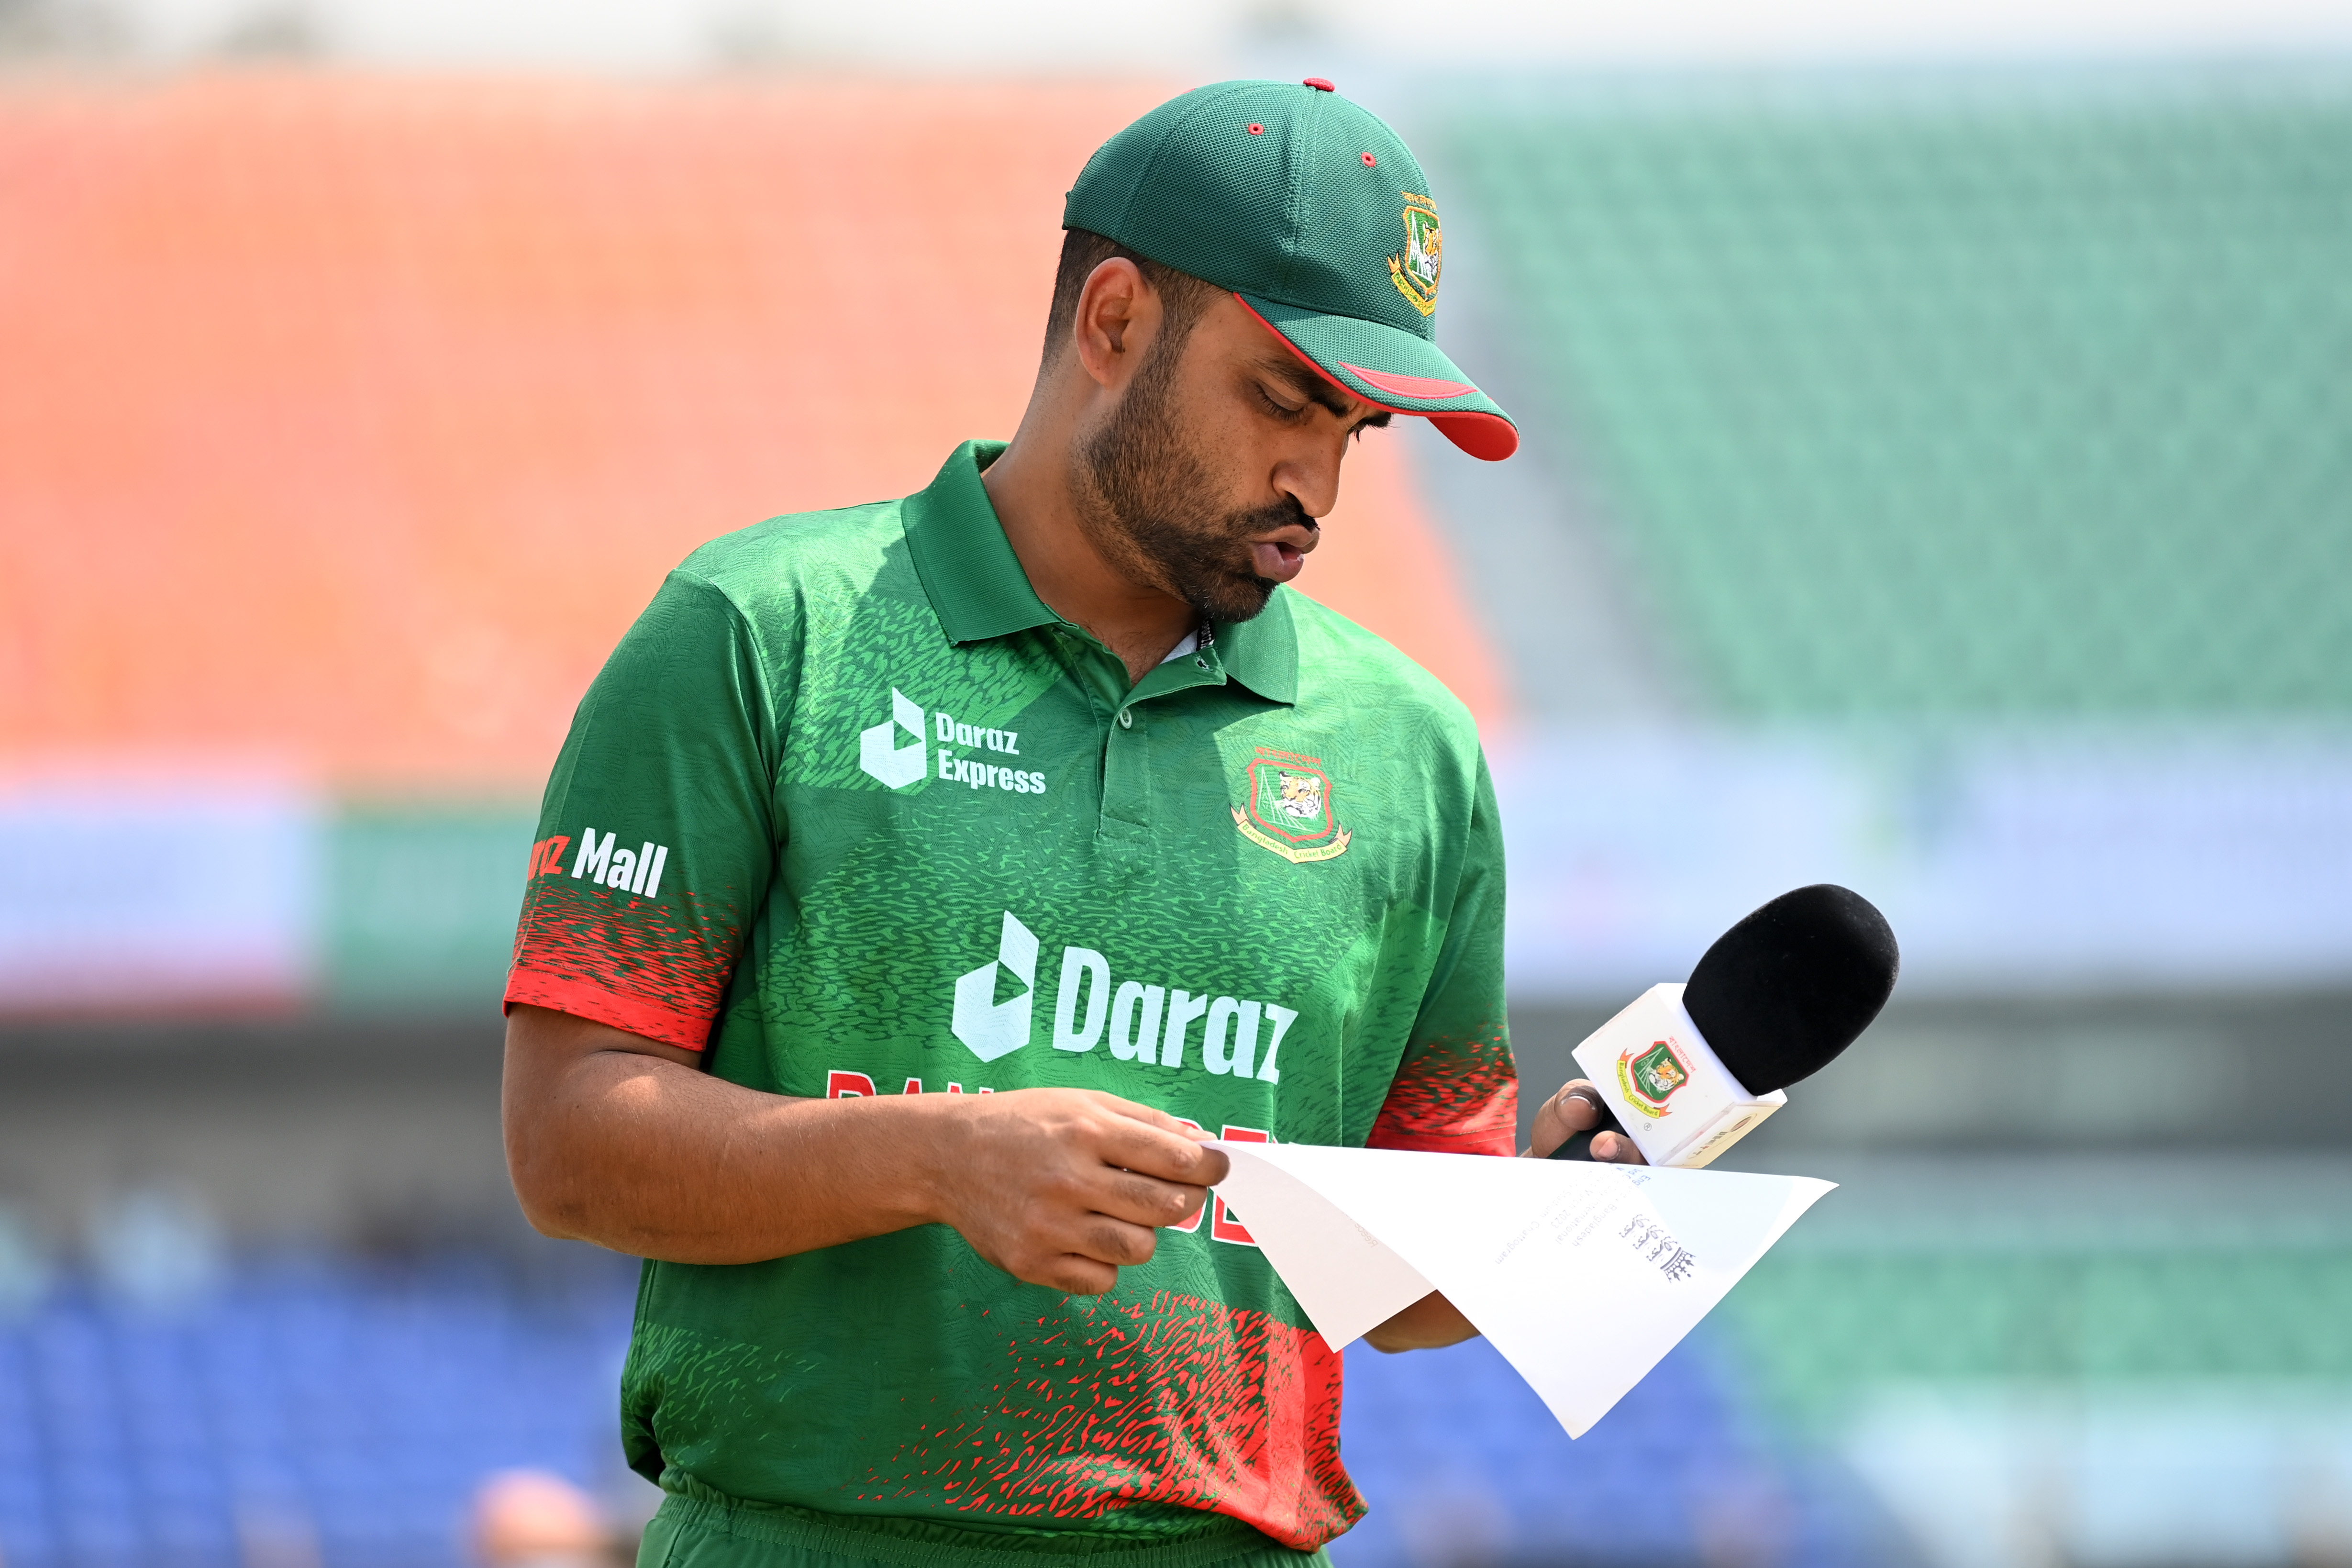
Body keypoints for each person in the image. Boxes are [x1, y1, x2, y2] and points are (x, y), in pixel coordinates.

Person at [499, 78, 1641, 1568]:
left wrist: (1539, 1228)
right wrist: (935, 1158)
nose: (1315, 483)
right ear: (1113, 322)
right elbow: (567, 1146)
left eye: (1357, 429)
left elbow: (1388, 1290)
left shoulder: (1409, 748)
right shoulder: (762, 629)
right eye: (1282, 398)